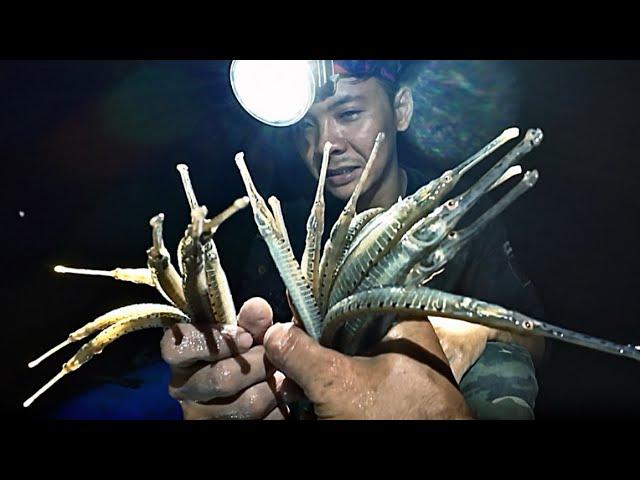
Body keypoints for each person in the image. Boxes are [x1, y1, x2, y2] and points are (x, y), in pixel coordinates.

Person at [160, 60, 546, 420]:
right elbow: (251, 345)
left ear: (402, 110)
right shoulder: (283, 229)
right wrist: (221, 378)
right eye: (305, 127)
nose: (325, 144)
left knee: (502, 357)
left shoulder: (462, 212)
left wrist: (473, 331)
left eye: (348, 114)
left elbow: (535, 336)